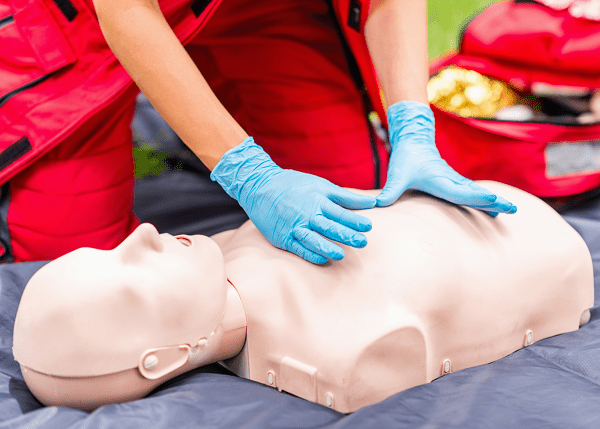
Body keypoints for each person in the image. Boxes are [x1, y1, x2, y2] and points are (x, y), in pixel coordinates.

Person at [0, 0, 515, 263]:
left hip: (258, 10)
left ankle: (211, 101)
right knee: (75, 268)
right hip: (82, 24)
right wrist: (247, 173)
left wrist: (412, 127)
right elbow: (127, 9)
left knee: (355, 212)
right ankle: (202, 117)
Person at [13, 181, 592, 412]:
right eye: (130, 281)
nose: (141, 237)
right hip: (537, 249)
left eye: (112, 249)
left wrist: (410, 118)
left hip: (513, 216)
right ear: (159, 359)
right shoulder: (342, 347)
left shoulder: (221, 252)